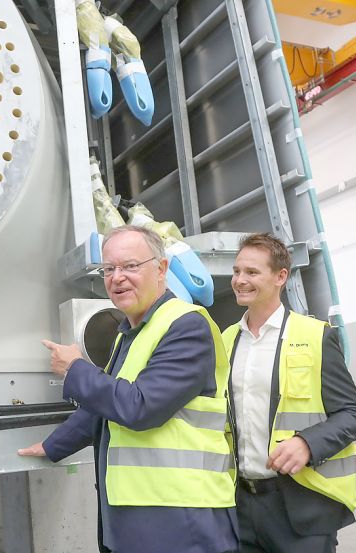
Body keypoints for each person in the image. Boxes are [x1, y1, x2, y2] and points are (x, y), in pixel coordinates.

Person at [19, 225, 238, 553]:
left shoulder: (186, 325)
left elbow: (140, 406)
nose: (117, 277)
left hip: (182, 514)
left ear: (161, 268)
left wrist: (76, 369)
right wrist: (54, 446)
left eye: (131, 266)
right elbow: (103, 405)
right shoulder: (129, 333)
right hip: (136, 511)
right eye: (109, 269)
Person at [222, 233, 356, 553]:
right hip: (241, 504)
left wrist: (307, 443)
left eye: (252, 272)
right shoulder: (226, 340)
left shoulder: (315, 336)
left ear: (281, 276)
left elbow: (353, 414)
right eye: (236, 271)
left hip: (303, 505)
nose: (240, 280)